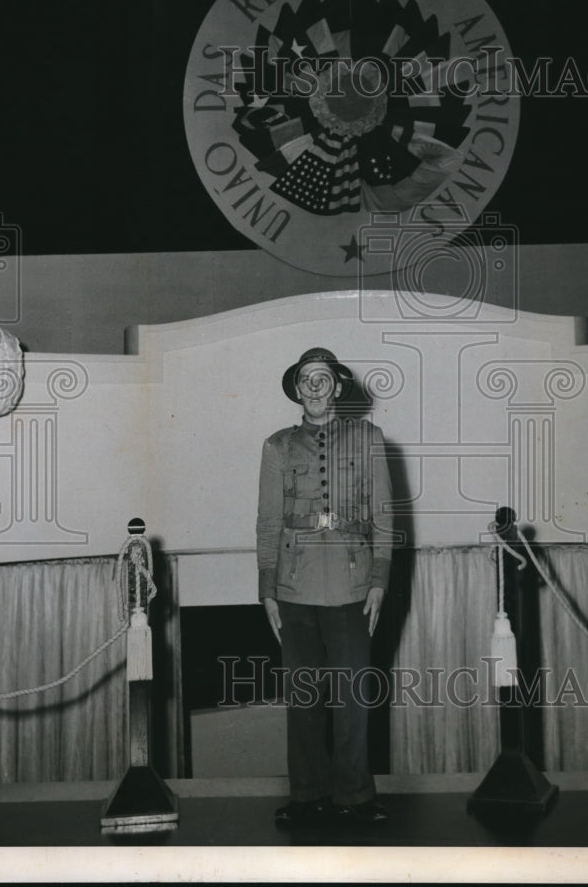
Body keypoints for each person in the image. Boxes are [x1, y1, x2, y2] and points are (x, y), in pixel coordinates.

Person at [256, 347, 394, 827]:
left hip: (352, 586)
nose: (314, 387)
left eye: (322, 378)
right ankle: (308, 795)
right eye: (305, 380)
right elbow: (269, 521)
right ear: (297, 390)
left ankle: (355, 797)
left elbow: (384, 518)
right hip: (294, 587)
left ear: (338, 387)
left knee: (354, 697)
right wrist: (267, 589)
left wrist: (379, 580)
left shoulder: (369, 439)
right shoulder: (277, 446)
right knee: (304, 696)